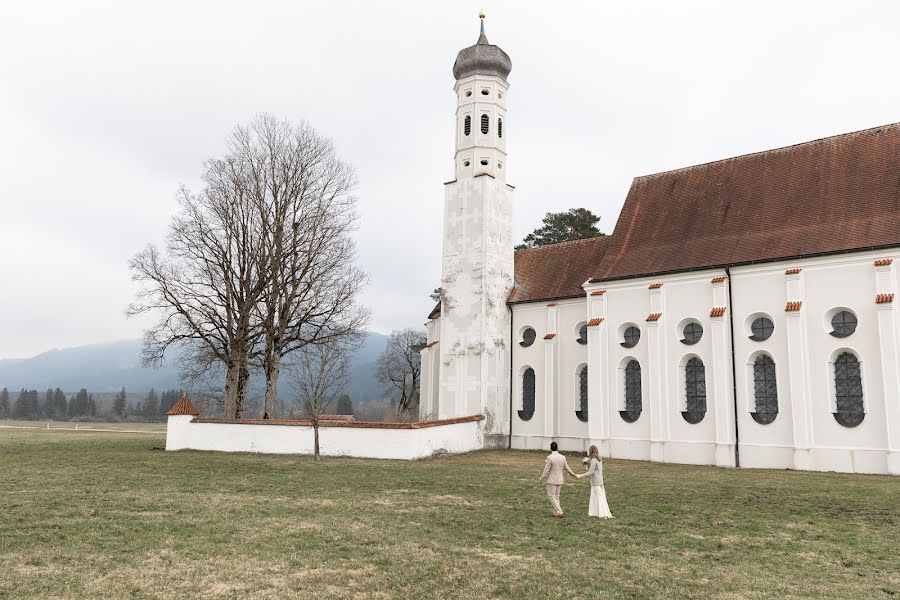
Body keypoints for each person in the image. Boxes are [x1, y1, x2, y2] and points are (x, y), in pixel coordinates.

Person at [538, 441, 577, 518]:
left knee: (551, 496)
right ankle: (556, 512)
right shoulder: (563, 457)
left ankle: (559, 511)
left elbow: (546, 470)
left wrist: (541, 478)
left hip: (552, 480)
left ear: (550, 448)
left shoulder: (550, 457)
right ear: (557, 448)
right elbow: (567, 468)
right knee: (557, 496)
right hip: (560, 479)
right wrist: (573, 475)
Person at [576, 445, 614, 519]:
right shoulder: (599, 459)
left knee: (599, 497)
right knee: (597, 496)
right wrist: (587, 464)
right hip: (600, 480)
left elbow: (590, 472)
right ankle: (594, 512)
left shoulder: (593, 460)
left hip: (595, 482)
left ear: (591, 451)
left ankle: (603, 514)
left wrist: (580, 475)